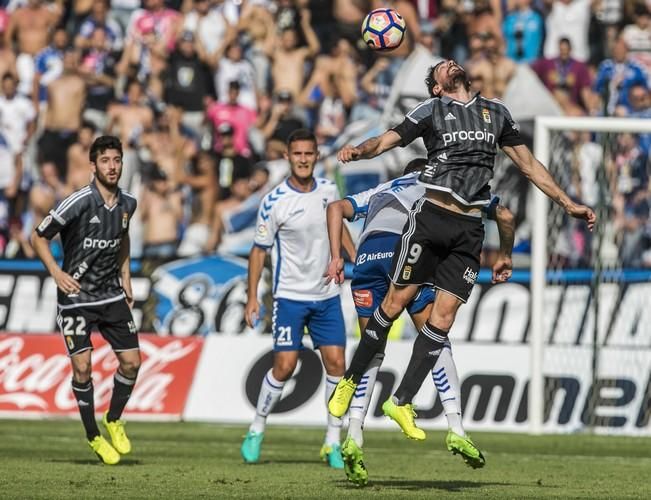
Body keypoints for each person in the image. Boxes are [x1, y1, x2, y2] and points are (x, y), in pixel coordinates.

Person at [328, 60, 596, 447]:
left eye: (451, 62)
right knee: (394, 302)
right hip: (433, 216)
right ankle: (350, 382)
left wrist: (567, 203)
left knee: (444, 318)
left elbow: (530, 165)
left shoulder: (497, 112)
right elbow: (387, 140)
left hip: (470, 230)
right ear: (436, 87)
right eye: (440, 67)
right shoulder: (431, 110)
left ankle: (401, 401)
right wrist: (359, 151)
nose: (449, 65)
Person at [325, 159, 516, 482]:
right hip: (402, 247)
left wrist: (338, 255)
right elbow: (502, 215)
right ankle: (456, 427)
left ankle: (353, 433)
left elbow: (334, 208)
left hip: (368, 255)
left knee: (373, 343)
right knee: (434, 334)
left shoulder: (381, 189)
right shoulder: (440, 185)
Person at [241, 129, 356, 468]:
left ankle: (332, 441)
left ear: (316, 156)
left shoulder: (329, 191)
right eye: (298, 154)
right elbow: (258, 252)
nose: (303, 159)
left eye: (309, 154)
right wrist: (252, 298)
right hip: (290, 297)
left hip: (326, 295)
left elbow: (340, 227)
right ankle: (256, 428)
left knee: (337, 365)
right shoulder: (275, 201)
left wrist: (356, 258)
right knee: (284, 366)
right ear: (288, 158)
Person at [30, 135, 139, 465]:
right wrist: (55, 272)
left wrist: (126, 275)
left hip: (110, 293)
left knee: (132, 363)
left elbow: (123, 237)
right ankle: (93, 435)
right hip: (75, 297)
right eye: (105, 161)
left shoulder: (128, 204)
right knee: (82, 366)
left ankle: (114, 419)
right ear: (93, 166)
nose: (112, 166)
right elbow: (37, 236)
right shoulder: (77, 202)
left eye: (116, 160)